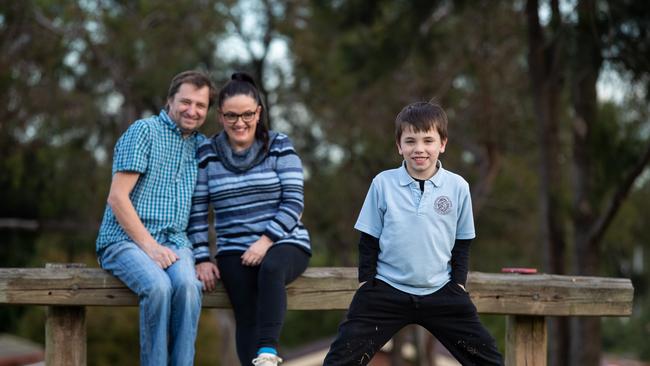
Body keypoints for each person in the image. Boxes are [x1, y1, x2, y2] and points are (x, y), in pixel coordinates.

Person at [323, 101, 504, 365]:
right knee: (340, 360)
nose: (419, 149)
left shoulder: (458, 187)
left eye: (428, 140)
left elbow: (462, 244)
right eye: (410, 141)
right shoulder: (382, 183)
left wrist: (458, 285)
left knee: (489, 359)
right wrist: (366, 284)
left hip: (441, 290)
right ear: (399, 146)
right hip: (386, 289)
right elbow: (368, 241)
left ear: (442, 144)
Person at [189, 72, 311, 366]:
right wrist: (202, 257)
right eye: (231, 115)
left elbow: (294, 202)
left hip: (285, 241)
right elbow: (197, 210)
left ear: (258, 112)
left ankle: (268, 351)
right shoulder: (207, 152)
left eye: (246, 114)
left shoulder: (280, 146)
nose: (239, 122)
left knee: (270, 269)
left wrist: (265, 241)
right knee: (245, 312)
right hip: (234, 248)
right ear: (220, 116)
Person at [96, 70, 216, 366]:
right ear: (169, 101)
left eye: (200, 105)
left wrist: (202, 256)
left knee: (189, 289)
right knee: (158, 287)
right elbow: (117, 197)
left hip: (175, 241)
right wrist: (149, 247)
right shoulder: (144, 132)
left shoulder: (202, 147)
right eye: (185, 102)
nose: (192, 110)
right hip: (124, 241)